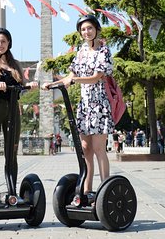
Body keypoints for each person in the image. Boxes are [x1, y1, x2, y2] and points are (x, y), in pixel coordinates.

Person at [43, 14, 113, 205]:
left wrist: (74, 80)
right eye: (83, 29)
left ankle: (105, 189)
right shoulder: (81, 51)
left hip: (98, 104)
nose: (86, 32)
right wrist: (52, 84)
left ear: (96, 29)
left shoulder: (104, 51)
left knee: (99, 148)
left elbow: (96, 77)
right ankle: (87, 190)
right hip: (84, 105)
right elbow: (70, 75)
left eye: (89, 28)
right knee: (85, 149)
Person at [0, 27, 38, 204]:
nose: (0, 45)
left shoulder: (15, 65)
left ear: (8, 44)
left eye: (3, 42)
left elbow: (22, 84)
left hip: (13, 107)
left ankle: (12, 190)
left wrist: (31, 85)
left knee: (11, 151)